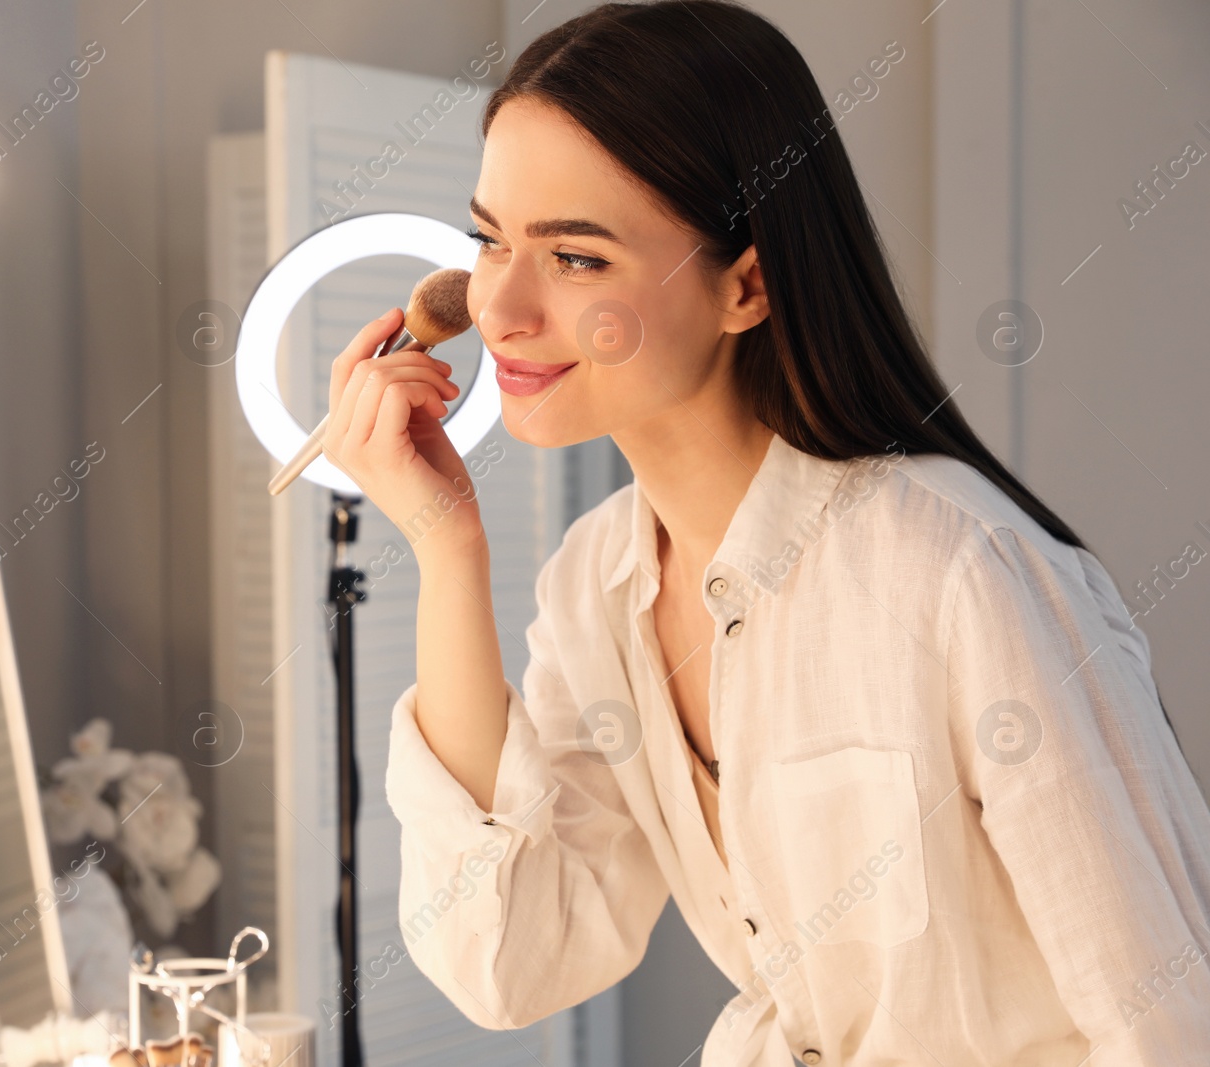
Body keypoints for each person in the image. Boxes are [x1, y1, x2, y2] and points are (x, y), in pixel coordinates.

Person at [316, 2, 1210, 1063]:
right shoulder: (596, 581)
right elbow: (507, 957)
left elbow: (1170, 1019)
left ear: (745, 284)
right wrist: (442, 543)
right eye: (490, 239)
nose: (498, 305)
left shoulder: (958, 572)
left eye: (576, 258)